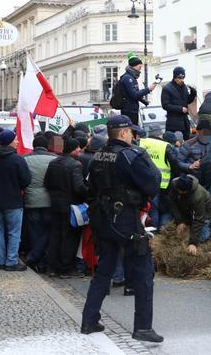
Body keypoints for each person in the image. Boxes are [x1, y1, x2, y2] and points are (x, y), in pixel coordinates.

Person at [81, 116, 163, 343]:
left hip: (102, 219)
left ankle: (89, 320)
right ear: (125, 133)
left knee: (104, 271)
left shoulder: (98, 155)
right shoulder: (131, 156)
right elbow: (152, 184)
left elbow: (89, 187)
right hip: (125, 219)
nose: (133, 136)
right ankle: (143, 328)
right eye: (131, 132)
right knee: (144, 272)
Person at [0, 130, 32, 271]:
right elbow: (26, 180)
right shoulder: (18, 159)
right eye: (15, 139)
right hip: (13, 201)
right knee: (13, 232)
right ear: (10, 142)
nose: (17, 142)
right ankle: (11, 261)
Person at [44, 137, 87, 277]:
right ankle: (65, 268)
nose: (80, 150)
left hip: (55, 204)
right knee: (69, 237)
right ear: (72, 149)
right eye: (77, 148)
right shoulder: (76, 165)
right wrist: (89, 193)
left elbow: (47, 182)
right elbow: (79, 187)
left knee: (55, 235)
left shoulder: (53, 162)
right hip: (71, 205)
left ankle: (51, 267)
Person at [23, 135, 57, 273]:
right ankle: (39, 259)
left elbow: (23, 179)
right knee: (48, 231)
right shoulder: (54, 159)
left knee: (34, 231)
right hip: (49, 200)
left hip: (31, 200)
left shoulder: (25, 159)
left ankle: (34, 256)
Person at [139, 131, 179, 228]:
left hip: (145, 182)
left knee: (152, 209)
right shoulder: (166, 146)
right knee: (164, 209)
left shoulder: (141, 142)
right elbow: (174, 162)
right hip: (164, 184)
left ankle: (152, 232)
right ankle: (161, 229)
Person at [168, 175, 211, 254]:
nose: (180, 192)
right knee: (181, 230)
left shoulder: (198, 195)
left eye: (182, 192)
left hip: (205, 210)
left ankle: (210, 231)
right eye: (179, 190)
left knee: (202, 237)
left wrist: (193, 243)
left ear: (188, 190)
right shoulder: (174, 184)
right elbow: (172, 203)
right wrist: (180, 221)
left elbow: (199, 218)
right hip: (187, 207)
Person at [118, 56, 157, 126]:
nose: (140, 70)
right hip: (129, 110)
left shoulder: (131, 77)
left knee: (134, 131)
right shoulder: (127, 78)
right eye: (139, 67)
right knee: (132, 131)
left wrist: (145, 102)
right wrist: (148, 89)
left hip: (132, 110)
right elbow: (134, 94)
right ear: (134, 66)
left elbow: (134, 94)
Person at [161, 66, 197, 139]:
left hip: (185, 122)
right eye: (179, 78)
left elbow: (188, 101)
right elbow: (165, 105)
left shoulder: (184, 87)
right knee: (174, 143)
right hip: (173, 123)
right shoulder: (167, 88)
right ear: (174, 77)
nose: (181, 80)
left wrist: (193, 92)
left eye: (183, 78)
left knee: (186, 143)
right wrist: (180, 109)